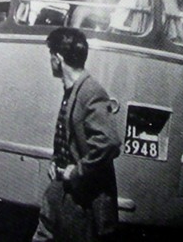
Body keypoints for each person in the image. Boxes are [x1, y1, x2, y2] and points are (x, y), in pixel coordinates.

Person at [33, 27, 122, 242]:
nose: (50, 62)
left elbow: (109, 142)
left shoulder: (91, 91)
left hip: (81, 201)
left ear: (59, 58)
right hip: (59, 192)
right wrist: (57, 159)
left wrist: (76, 172)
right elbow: (70, 136)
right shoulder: (72, 89)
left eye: (51, 56)